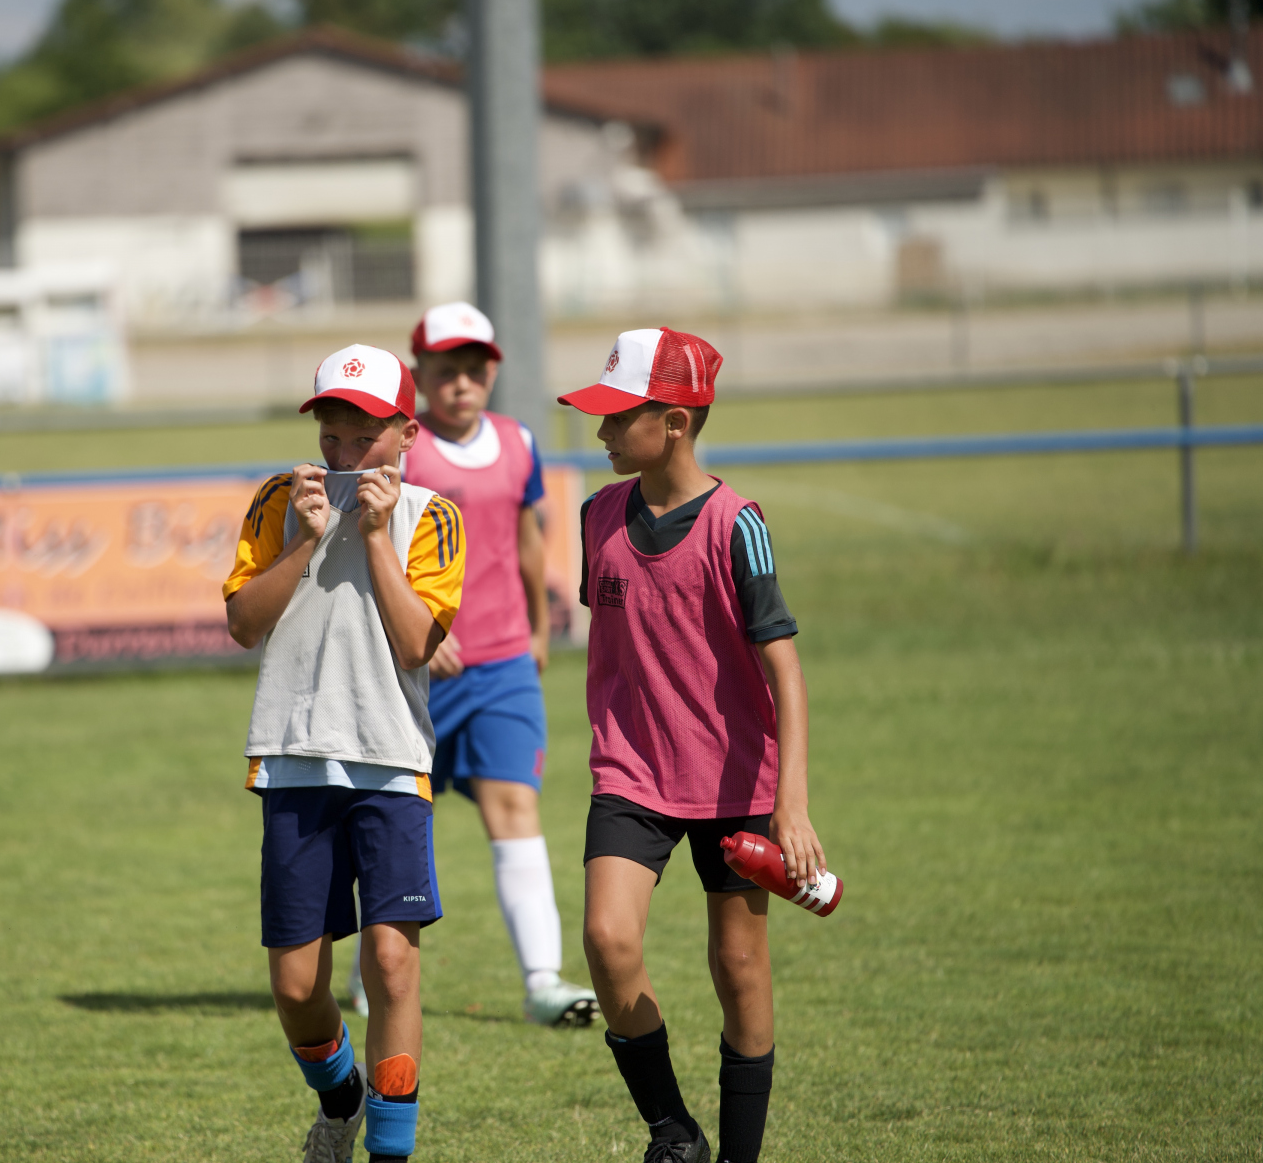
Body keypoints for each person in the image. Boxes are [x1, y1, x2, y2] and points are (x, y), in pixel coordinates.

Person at [557, 328, 828, 1163]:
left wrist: (790, 806)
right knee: (607, 941)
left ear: (674, 422)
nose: (601, 432)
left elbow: (785, 671)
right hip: (630, 771)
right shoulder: (597, 515)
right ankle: (674, 1132)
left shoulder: (736, 524)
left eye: (618, 417)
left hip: (734, 781)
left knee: (739, 966)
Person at [224, 344, 466, 1163]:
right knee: (297, 987)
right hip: (293, 757)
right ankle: (341, 1098)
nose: (345, 454)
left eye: (365, 438)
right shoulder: (278, 500)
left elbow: (417, 643)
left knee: (392, 966)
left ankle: (391, 1152)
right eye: (332, 435)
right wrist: (305, 540)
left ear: (407, 434)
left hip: (391, 761)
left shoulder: (433, 515)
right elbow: (243, 624)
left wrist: (375, 536)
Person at [363, 299, 600, 1029]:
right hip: (414, 672)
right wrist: (418, 636)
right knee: (396, 823)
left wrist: (538, 625)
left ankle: (542, 983)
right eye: (445, 370)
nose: (461, 383)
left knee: (515, 808)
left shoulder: (518, 441)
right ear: (419, 374)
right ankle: (373, 976)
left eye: (474, 369)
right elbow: (371, 551)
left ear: (492, 372)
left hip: (503, 667)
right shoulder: (401, 452)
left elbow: (526, 538)